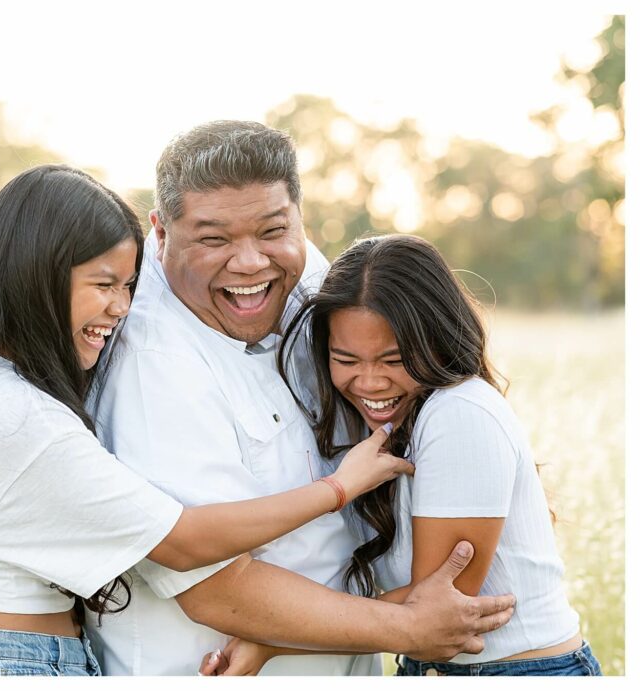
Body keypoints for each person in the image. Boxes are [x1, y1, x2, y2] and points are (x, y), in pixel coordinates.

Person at [0, 164, 417, 676]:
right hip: (16, 663)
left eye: (129, 286)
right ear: (36, 277)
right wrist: (341, 486)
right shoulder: (17, 416)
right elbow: (183, 541)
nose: (122, 307)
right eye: (104, 285)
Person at [83, 121, 516, 676]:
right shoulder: (151, 363)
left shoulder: (308, 275)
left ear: (298, 218)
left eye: (272, 231)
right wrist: (406, 627)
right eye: (214, 240)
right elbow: (213, 588)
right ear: (160, 233)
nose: (249, 263)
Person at [245, 233, 595, 676]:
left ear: (438, 340)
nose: (369, 382)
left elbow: (433, 607)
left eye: (393, 359)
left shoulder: (459, 412)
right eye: (346, 359)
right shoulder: (385, 428)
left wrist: (273, 642)